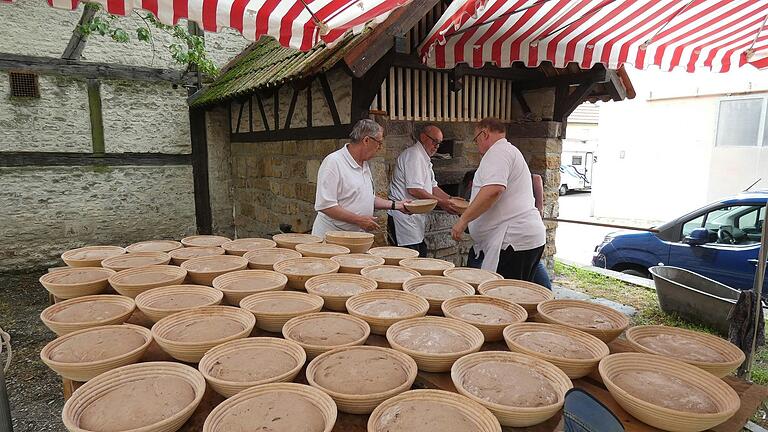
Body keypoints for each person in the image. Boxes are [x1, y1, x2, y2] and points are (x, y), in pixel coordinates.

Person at [451, 117, 546, 281]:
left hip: (512, 242)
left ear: (484, 133)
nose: (477, 145)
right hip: (520, 240)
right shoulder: (508, 151)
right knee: (516, 296)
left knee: (506, 300)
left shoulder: (497, 152)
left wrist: (463, 221)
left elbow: (494, 190)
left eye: (476, 140)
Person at [312, 119, 409, 238]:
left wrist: (397, 205)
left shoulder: (364, 164)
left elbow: (366, 198)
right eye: (379, 142)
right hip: (332, 238)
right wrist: (359, 220)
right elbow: (325, 205)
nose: (380, 147)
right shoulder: (334, 162)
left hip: (355, 238)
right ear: (367, 140)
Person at [388, 125, 457, 257]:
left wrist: (451, 200)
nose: (437, 146)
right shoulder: (414, 155)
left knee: (420, 256)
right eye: (434, 141)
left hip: (414, 219)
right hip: (404, 218)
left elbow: (433, 187)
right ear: (423, 137)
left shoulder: (424, 158)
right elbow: (414, 190)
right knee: (408, 261)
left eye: (439, 143)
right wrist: (442, 203)